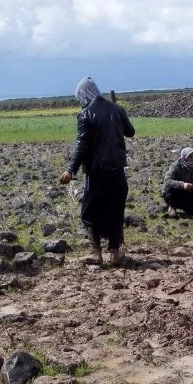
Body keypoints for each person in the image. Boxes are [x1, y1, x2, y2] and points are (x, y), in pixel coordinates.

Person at [60, 77, 135, 266]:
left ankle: (96, 253)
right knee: (115, 211)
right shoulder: (117, 109)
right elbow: (130, 132)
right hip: (117, 170)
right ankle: (115, 252)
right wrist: (120, 114)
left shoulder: (85, 114)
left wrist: (70, 169)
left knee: (89, 212)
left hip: (97, 173)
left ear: (84, 95)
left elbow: (81, 146)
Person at [162, 147, 193, 217]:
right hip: (175, 191)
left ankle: (189, 208)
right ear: (184, 157)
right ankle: (172, 207)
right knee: (171, 192)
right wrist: (182, 185)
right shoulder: (176, 166)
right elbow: (167, 180)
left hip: (187, 190)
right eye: (190, 156)